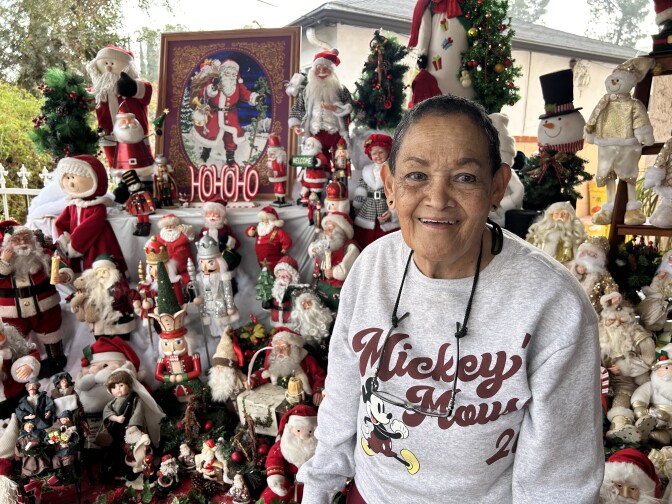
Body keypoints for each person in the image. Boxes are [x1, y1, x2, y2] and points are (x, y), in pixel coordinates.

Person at [296, 95, 603, 503]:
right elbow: (343, 388)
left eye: (464, 177)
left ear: (497, 187)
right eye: (416, 176)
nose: (437, 199)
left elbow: (557, 481)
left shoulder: (553, 304)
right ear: (389, 186)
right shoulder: (371, 267)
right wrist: (318, 488)